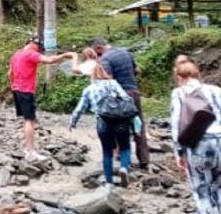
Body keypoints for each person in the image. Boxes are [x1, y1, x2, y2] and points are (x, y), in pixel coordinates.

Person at [170, 55, 221, 214]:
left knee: (202, 193)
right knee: (219, 188)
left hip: (199, 146)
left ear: (179, 77)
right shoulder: (217, 91)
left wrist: (179, 152)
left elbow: (176, 123)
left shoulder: (179, 93)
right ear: (198, 75)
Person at [69, 51, 136, 188]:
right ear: (104, 72)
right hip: (120, 120)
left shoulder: (89, 89)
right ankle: (124, 167)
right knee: (124, 147)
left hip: (103, 121)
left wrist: (73, 122)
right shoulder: (113, 83)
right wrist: (134, 117)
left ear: (92, 75)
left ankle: (109, 182)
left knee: (107, 152)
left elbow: (80, 108)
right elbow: (126, 98)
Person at [8, 36, 77, 161]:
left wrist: (13, 86)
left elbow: (10, 73)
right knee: (30, 120)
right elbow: (50, 60)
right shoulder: (31, 54)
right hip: (26, 90)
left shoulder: (16, 54)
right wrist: (65, 55)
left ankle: (27, 147)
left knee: (26, 120)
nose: (39, 51)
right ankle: (30, 152)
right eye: (39, 48)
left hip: (17, 89)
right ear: (34, 45)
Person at [90, 37, 150, 168]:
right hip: (134, 93)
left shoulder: (106, 59)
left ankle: (123, 160)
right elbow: (137, 70)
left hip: (119, 97)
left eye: (97, 52)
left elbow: (108, 79)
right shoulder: (126, 53)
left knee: (119, 126)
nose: (98, 56)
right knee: (138, 126)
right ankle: (144, 159)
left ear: (99, 48)